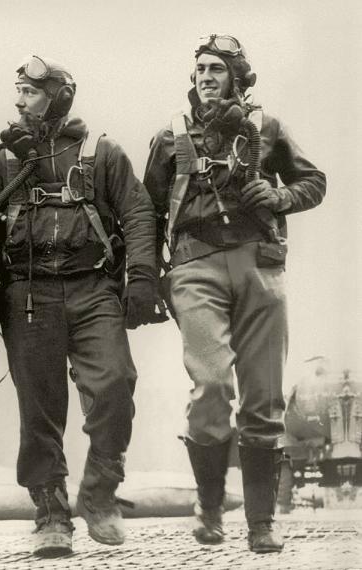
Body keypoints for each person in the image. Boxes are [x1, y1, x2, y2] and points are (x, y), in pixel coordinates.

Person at [0, 55, 163, 558]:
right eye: (18, 91)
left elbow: (138, 213)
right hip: (28, 292)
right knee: (39, 407)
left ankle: (100, 489)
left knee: (115, 382)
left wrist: (142, 277)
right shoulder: (4, 161)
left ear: (59, 97)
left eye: (29, 92)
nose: (19, 101)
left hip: (93, 287)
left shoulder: (101, 152)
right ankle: (50, 511)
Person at [143, 34, 326, 553]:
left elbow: (314, 182)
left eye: (217, 69)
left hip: (260, 264)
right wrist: (145, 278)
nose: (206, 77)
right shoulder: (171, 136)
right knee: (210, 385)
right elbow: (146, 213)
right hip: (194, 264)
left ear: (238, 78)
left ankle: (261, 523)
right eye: (200, 68)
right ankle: (209, 504)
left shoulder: (267, 128)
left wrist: (279, 195)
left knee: (264, 396)